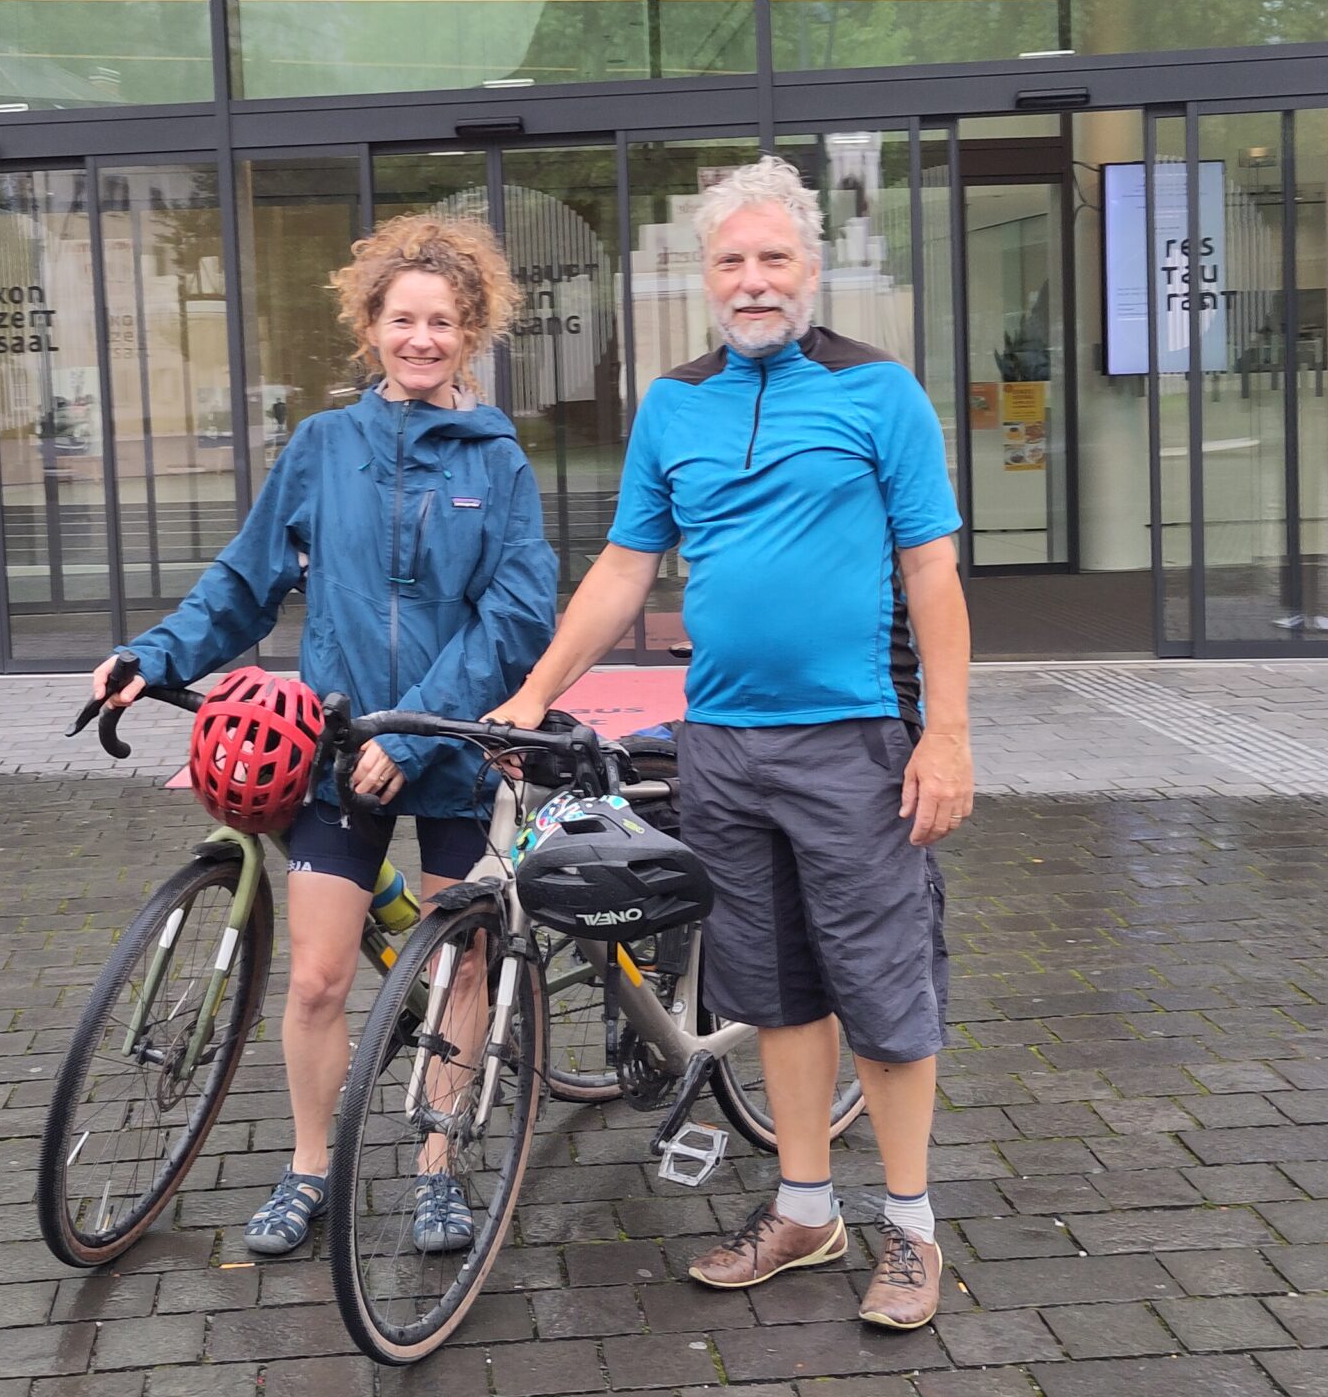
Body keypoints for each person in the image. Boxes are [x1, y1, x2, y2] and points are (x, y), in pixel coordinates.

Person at [492, 155, 972, 1330]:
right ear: (704, 278)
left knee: (883, 992)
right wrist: (530, 692)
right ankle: (805, 1210)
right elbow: (621, 569)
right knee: (775, 992)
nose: (753, 281)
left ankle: (909, 1229)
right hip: (721, 747)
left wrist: (946, 734)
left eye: (773, 259)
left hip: (856, 743)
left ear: (812, 267)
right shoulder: (674, 404)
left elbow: (932, 572)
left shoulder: (878, 393)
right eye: (731, 262)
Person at [92, 216, 557, 1257]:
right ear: (372, 327)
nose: (422, 338)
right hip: (338, 749)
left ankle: (437, 1163)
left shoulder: (499, 461)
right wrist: (152, 658)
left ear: (468, 331)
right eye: (404, 319)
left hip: (450, 743)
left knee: (463, 964)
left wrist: (429, 732)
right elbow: (245, 580)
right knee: (316, 979)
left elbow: (517, 615)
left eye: (442, 321)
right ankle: (309, 1167)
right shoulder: (324, 447)